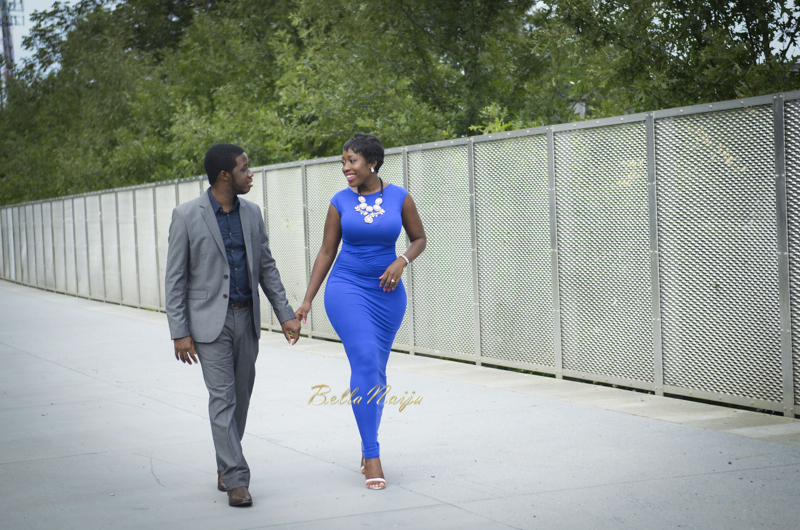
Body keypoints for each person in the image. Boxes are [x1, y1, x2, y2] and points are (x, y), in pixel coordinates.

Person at [165, 143, 302, 507]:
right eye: (244, 168)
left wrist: (285, 313)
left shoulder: (252, 213)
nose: (250, 174)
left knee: (240, 398)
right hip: (209, 323)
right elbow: (175, 279)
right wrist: (180, 331)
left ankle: (225, 464)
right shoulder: (186, 215)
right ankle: (237, 479)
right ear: (225, 175)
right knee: (223, 398)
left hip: (247, 317)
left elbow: (266, 267)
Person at [295, 133, 427, 490]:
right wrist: (307, 299)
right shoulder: (339, 201)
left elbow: (419, 239)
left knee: (375, 372)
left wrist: (402, 260)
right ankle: (372, 454)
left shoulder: (400, 197)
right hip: (346, 287)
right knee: (366, 359)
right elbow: (327, 251)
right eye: (343, 162)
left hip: (387, 293)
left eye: (351, 161)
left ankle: (367, 443)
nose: (345, 168)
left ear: (372, 162)